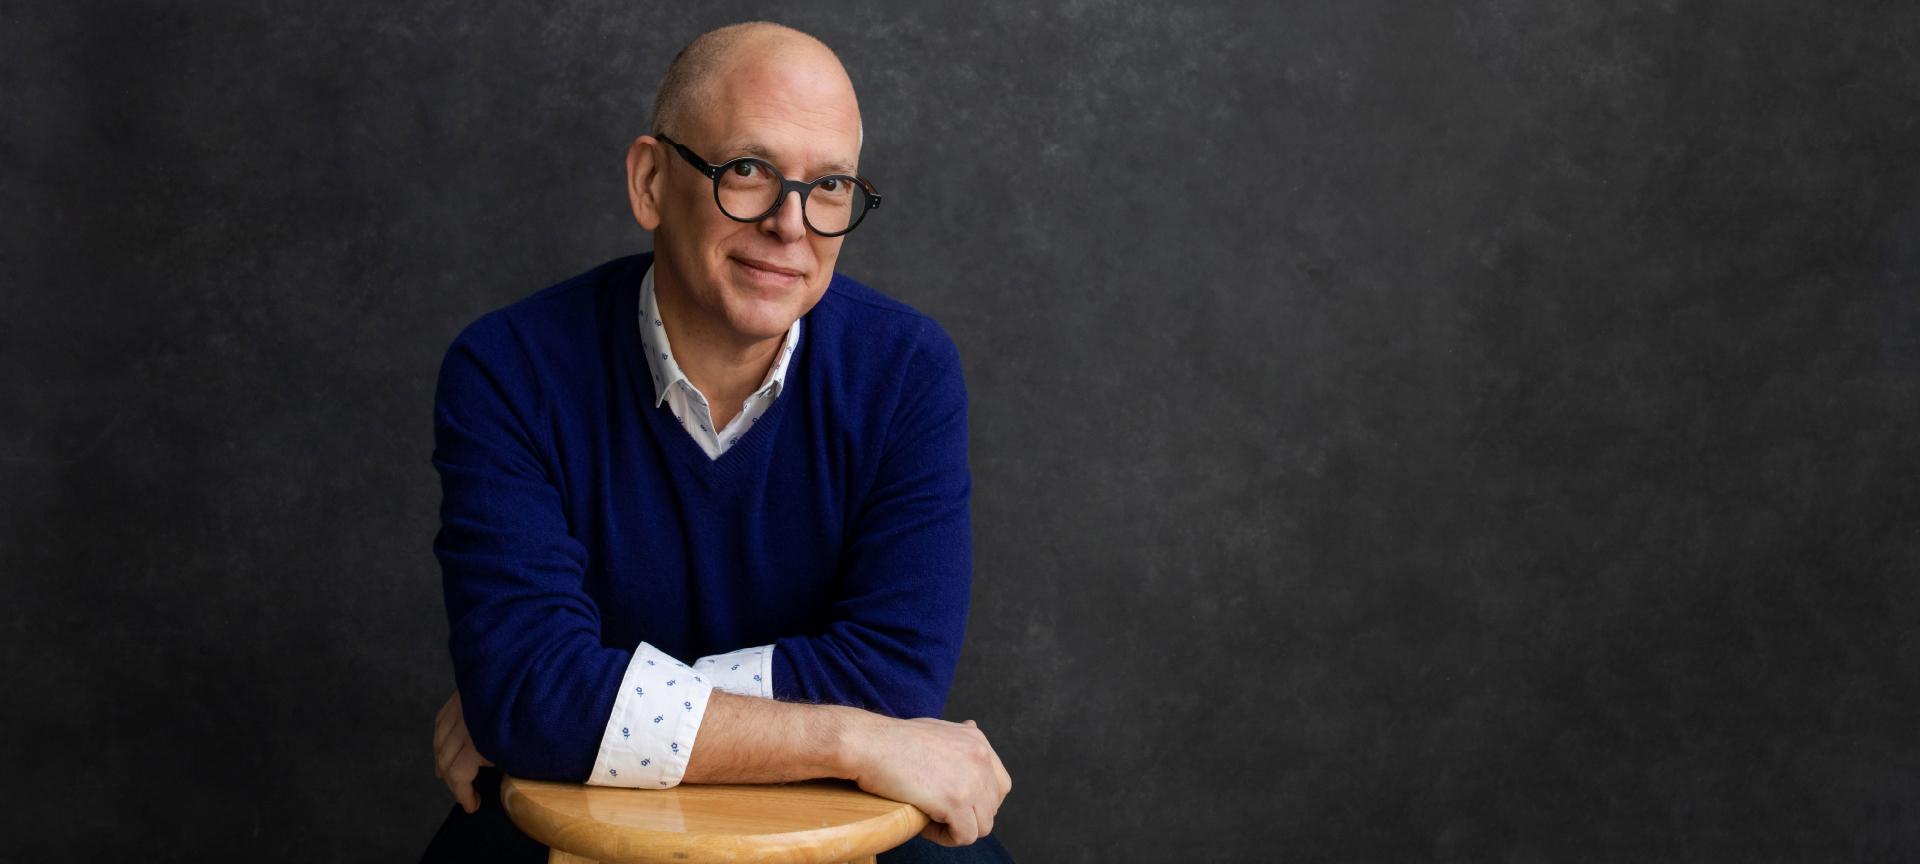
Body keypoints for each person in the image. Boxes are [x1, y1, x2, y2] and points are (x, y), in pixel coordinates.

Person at [418, 21, 1014, 863]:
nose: (791, 224)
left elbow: (897, 681)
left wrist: (568, 707)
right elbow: (529, 693)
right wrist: (848, 738)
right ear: (652, 181)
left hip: (838, 825)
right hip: (567, 824)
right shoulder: (508, 369)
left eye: (830, 185)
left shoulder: (907, 372)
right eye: (749, 171)